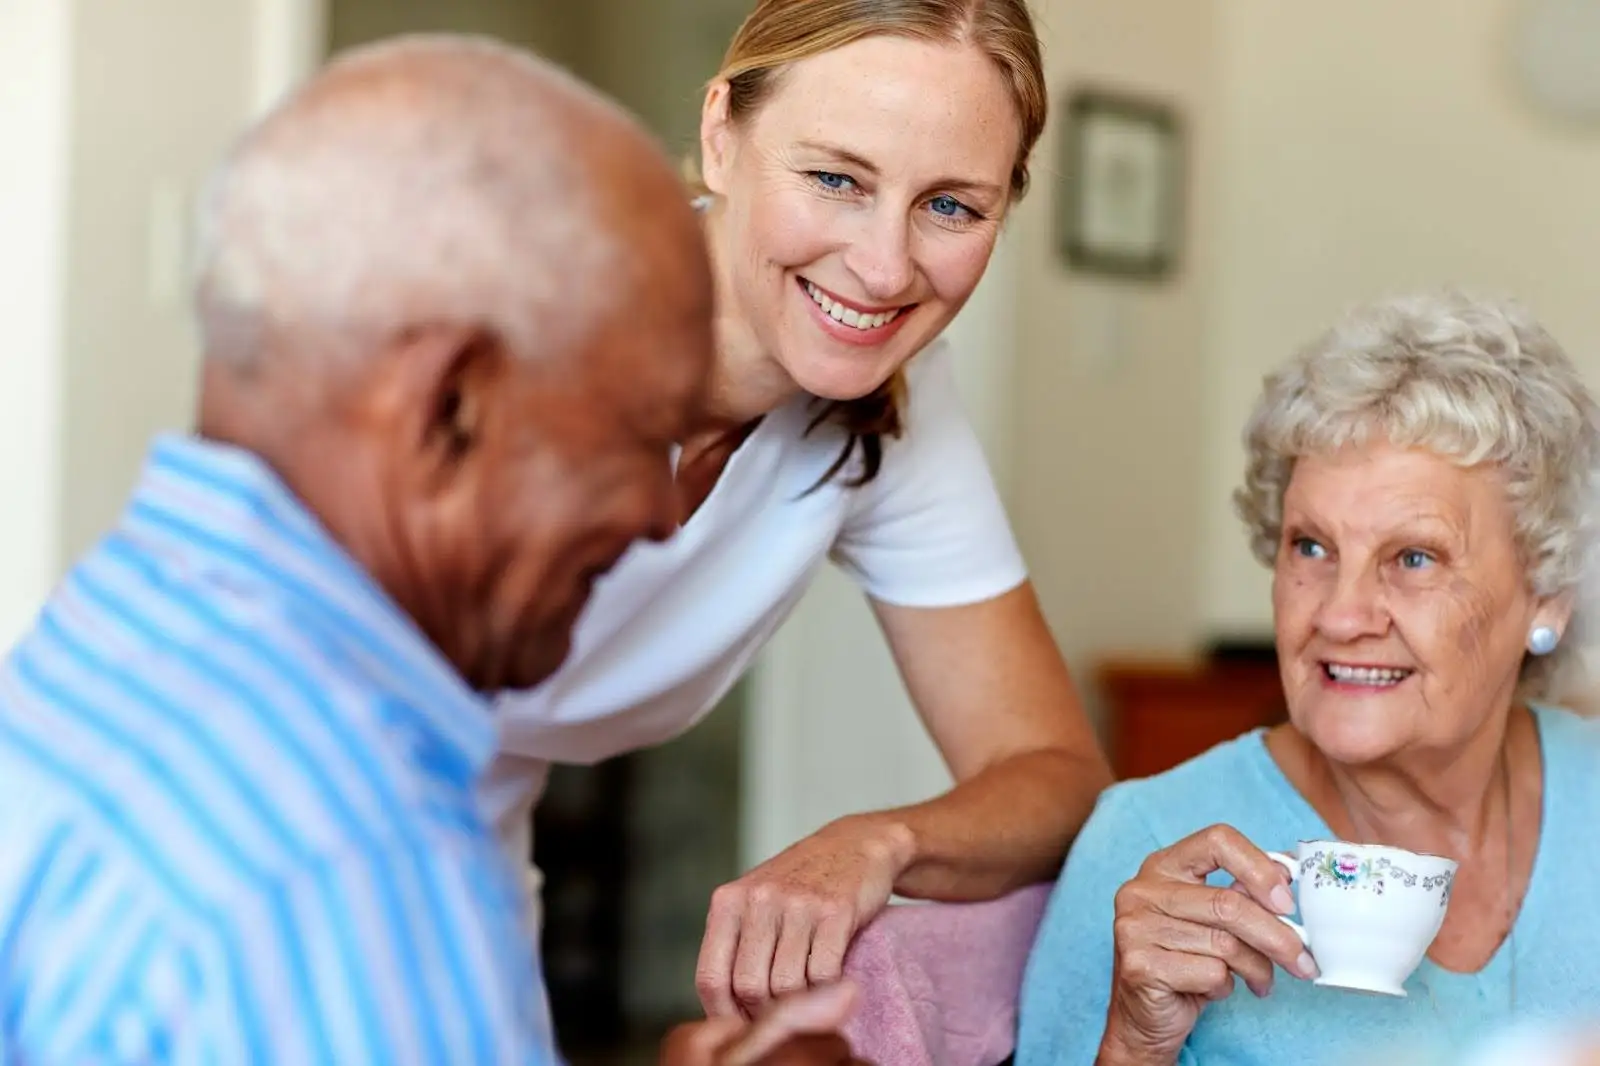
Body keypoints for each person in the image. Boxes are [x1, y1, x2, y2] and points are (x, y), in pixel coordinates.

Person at [0, 35, 865, 1065]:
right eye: (639, 434)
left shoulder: (104, 644)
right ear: (447, 405)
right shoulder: (347, 856)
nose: (657, 516)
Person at [483, 0, 1114, 1018]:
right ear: (721, 135)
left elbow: (1053, 773)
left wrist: (880, 840)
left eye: (951, 206)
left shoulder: (896, 411)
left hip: (467, 879)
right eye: (835, 179)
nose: (883, 266)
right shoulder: (512, 328)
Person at [1015, 291, 1600, 1065]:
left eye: (1413, 558)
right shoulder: (1150, 848)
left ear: (1548, 594)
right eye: (1311, 548)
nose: (1341, 614)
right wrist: (1133, 1043)